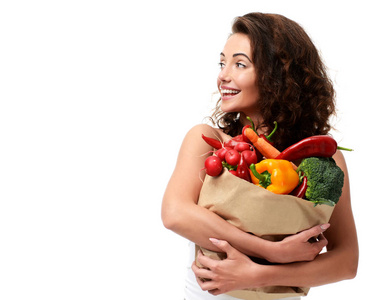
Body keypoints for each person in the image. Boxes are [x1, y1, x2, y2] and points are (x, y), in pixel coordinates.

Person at [162, 12, 358, 300]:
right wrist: (271, 251)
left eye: (239, 64)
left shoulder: (323, 161)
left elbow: (347, 261)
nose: (223, 75)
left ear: (278, 75)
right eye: (222, 63)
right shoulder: (209, 141)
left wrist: (261, 274)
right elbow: (174, 213)